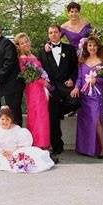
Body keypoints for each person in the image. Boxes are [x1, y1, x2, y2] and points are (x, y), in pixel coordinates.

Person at [38, 24, 79, 155]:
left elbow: (76, 67)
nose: (53, 34)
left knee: (76, 102)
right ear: (48, 35)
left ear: (60, 33)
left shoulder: (70, 49)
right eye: (50, 33)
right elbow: (40, 69)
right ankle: (57, 146)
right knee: (53, 119)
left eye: (55, 32)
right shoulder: (43, 51)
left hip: (66, 87)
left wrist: (72, 79)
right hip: (53, 89)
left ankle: (61, 112)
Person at [70, 36, 103, 158]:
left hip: (96, 96)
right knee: (85, 122)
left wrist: (96, 79)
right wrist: (76, 87)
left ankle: (102, 149)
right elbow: (80, 78)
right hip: (84, 95)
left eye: (94, 45)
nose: (92, 47)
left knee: (96, 121)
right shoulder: (82, 60)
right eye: (90, 45)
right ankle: (86, 149)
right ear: (86, 47)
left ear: (98, 47)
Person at [14, 33, 50, 150]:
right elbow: (29, 76)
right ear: (18, 46)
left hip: (40, 88)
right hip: (33, 89)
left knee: (42, 115)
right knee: (37, 115)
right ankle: (38, 143)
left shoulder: (33, 55)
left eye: (26, 41)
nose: (25, 44)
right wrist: (42, 82)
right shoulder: (22, 59)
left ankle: (43, 142)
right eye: (22, 43)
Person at [0, 22, 24, 126]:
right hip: (5, 84)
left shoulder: (7, 43)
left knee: (14, 113)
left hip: (13, 85)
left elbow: (9, 62)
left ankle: (18, 138)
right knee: (8, 113)